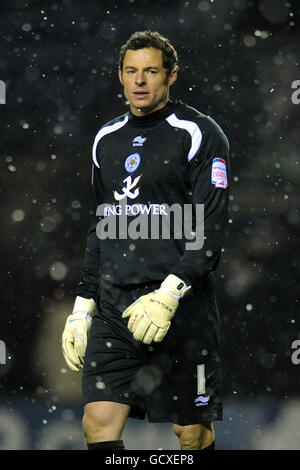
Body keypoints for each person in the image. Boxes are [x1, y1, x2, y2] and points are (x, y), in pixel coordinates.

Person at [62, 30, 230, 451]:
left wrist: (171, 293)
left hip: (182, 309)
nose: (140, 81)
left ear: (171, 76)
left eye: (151, 72)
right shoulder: (106, 139)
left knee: (191, 433)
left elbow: (210, 227)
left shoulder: (199, 133)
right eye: (132, 72)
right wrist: (83, 304)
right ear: (120, 75)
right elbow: (104, 223)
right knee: (97, 421)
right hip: (116, 306)